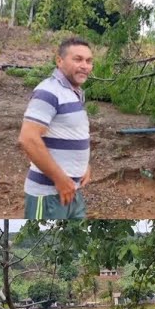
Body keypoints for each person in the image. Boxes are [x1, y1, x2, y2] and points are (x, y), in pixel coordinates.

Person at [18, 38, 93, 220]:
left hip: (72, 192)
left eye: (89, 61)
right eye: (78, 59)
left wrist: (84, 165)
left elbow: (71, 133)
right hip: (49, 194)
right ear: (59, 61)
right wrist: (60, 180)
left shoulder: (72, 93)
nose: (85, 66)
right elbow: (28, 139)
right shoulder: (49, 92)